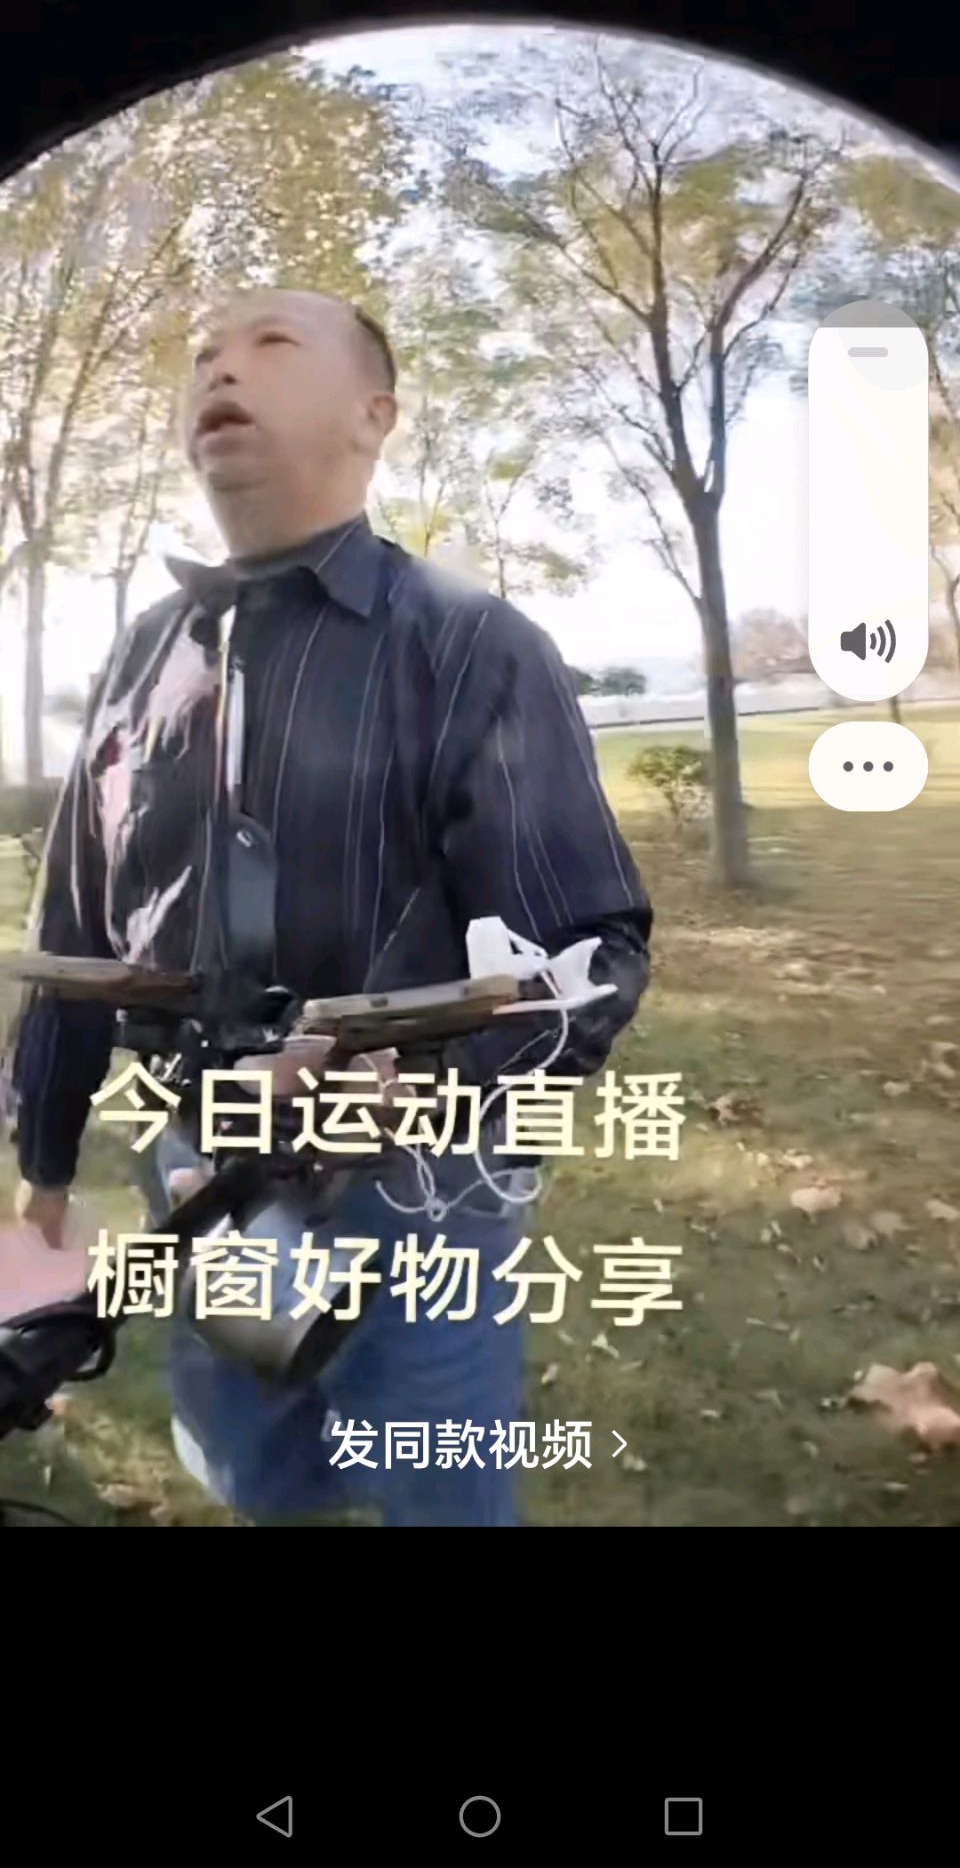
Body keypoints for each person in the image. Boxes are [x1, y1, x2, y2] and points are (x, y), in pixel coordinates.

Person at [8, 287, 652, 1526]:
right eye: (204, 354)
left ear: (374, 416)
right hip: (196, 1174)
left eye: (270, 344)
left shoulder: (471, 643)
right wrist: (42, 1156)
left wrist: (435, 1085)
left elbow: (591, 951)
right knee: (254, 1480)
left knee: (437, 1491)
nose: (220, 369)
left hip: (418, 1192)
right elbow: (73, 924)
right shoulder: (141, 654)